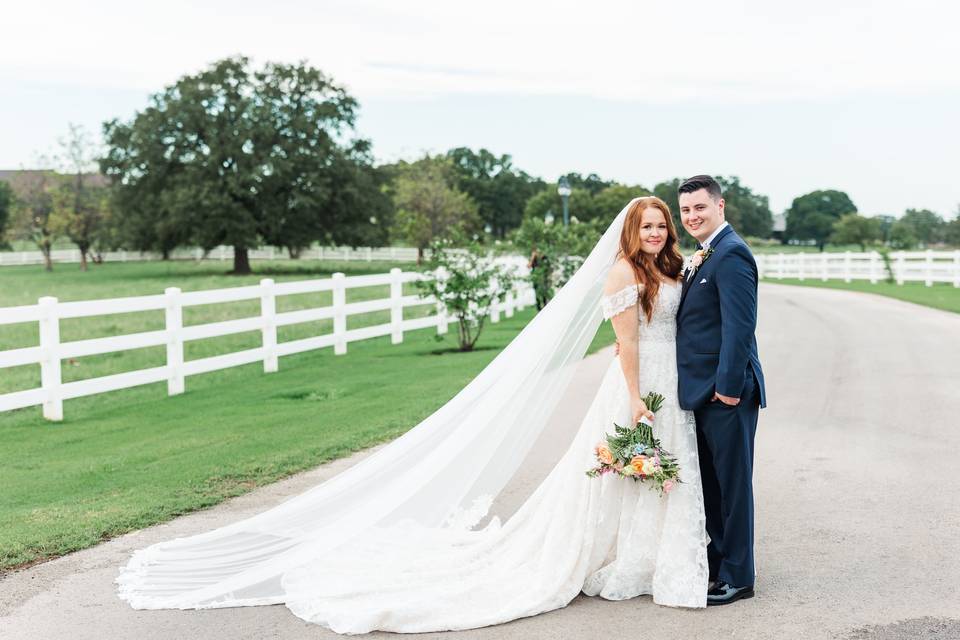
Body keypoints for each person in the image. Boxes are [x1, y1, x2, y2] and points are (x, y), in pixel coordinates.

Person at [116, 197, 709, 634]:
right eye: (647, 225)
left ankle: (643, 561)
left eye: (662, 225)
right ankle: (612, 561)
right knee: (622, 473)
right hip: (638, 387)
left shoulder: (670, 268)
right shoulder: (624, 272)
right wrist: (634, 398)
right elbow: (626, 345)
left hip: (672, 381)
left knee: (659, 473)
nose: (656, 233)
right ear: (631, 231)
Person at [675, 175, 767, 605]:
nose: (692, 216)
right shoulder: (705, 254)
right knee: (712, 487)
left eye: (700, 208)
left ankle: (739, 578)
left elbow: (739, 327)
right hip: (702, 393)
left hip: (726, 395)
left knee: (732, 489)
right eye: (687, 210)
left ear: (720, 206)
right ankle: (718, 566)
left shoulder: (730, 254)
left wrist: (729, 390)